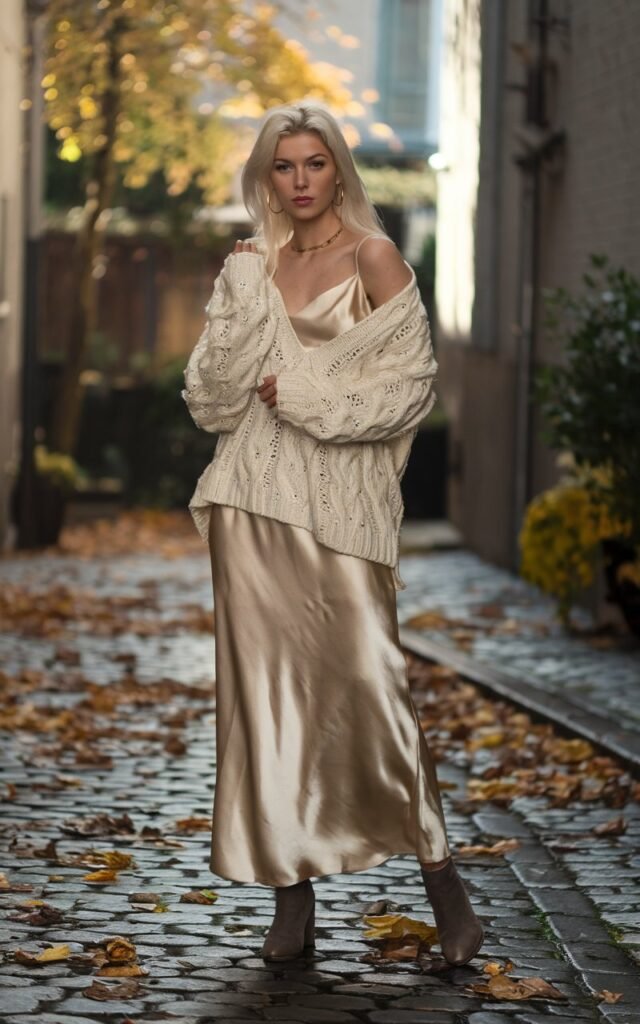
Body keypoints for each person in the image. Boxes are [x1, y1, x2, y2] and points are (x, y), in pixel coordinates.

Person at [182, 103, 484, 967]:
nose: (302, 180)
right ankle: (292, 900)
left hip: (343, 518)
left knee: (373, 691)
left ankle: (446, 891)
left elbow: (412, 385)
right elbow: (212, 401)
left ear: (339, 170)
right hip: (249, 511)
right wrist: (243, 294)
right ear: (268, 176)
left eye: (316, 163)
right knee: (265, 706)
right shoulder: (253, 264)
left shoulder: (374, 258)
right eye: (285, 167)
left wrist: (311, 399)